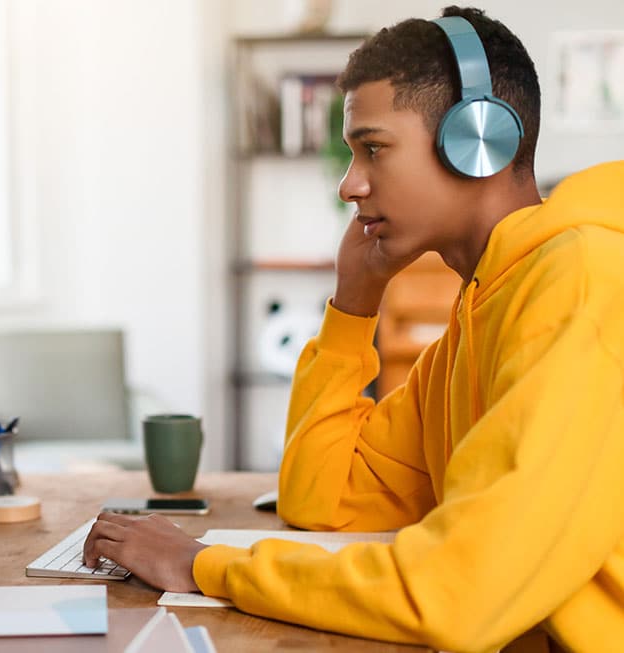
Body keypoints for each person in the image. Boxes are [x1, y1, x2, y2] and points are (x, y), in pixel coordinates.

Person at [84, 6, 624, 651]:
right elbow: (326, 500)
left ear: (477, 140)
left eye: (373, 149)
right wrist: (353, 305)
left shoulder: (581, 285)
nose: (349, 185)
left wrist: (201, 566)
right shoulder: (482, 314)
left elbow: (458, 595)